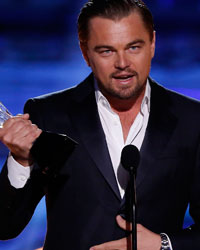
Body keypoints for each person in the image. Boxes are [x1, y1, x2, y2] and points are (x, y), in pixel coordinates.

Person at [0, 0, 200, 249]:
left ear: (152, 43)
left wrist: (164, 244)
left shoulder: (192, 119)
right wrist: (20, 159)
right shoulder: (49, 113)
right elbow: (4, 226)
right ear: (85, 52)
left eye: (134, 47)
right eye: (106, 51)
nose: (123, 63)